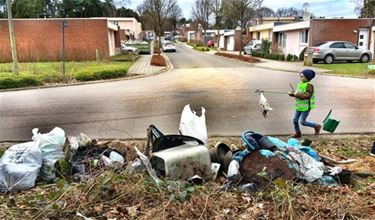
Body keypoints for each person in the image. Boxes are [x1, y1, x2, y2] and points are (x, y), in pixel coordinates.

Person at [288, 69, 321, 138]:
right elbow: (298, 93)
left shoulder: (309, 85)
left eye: (302, 76)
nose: (300, 77)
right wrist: (293, 94)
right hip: (299, 106)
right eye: (300, 75)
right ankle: (298, 133)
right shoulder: (300, 83)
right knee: (295, 120)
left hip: (306, 107)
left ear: (307, 77)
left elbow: (307, 96)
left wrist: (296, 95)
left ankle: (316, 126)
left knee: (302, 122)